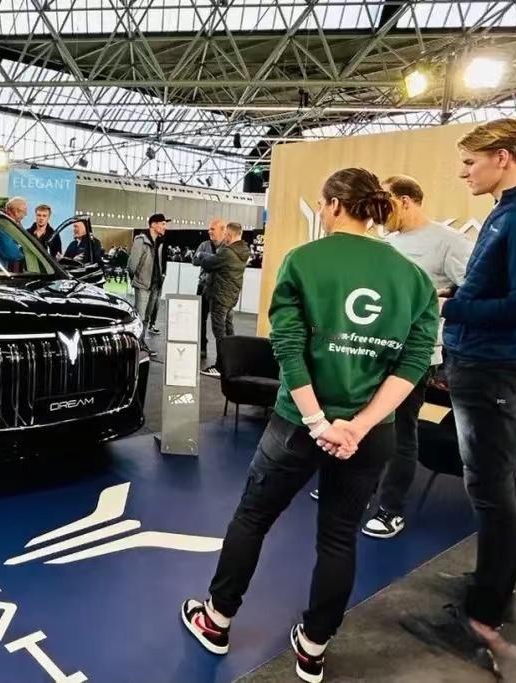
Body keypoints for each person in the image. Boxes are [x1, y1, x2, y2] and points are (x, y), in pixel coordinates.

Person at [181, 168, 437, 683]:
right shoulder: (414, 279)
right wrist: (360, 426)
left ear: (336, 205)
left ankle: (217, 620)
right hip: (369, 436)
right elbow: (413, 365)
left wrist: (319, 421)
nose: (321, 211)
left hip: (296, 425)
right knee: (339, 538)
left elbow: (289, 348)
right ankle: (314, 648)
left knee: (252, 518)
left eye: (323, 203)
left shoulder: (304, 260)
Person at [404, 119, 516, 664]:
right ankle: (491, 589)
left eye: (470, 162)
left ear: (503, 156)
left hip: (492, 367)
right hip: (486, 363)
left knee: (493, 491)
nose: (463, 172)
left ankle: (482, 618)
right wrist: (463, 293)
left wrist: (455, 305)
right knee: (500, 485)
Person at [360, 175, 472, 539]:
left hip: (415, 353)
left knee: (401, 430)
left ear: (406, 200)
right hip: (375, 348)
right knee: (366, 423)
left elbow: (475, 294)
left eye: (386, 205)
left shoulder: (449, 242)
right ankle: (360, 491)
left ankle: (390, 510)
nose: (380, 215)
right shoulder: (387, 241)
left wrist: (439, 298)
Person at [200, 222, 250, 378]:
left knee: (220, 333)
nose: (225, 237)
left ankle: (220, 366)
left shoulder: (227, 252)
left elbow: (208, 264)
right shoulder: (243, 251)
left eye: (227, 234)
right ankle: (233, 363)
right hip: (231, 296)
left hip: (220, 297)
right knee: (229, 331)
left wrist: (201, 255)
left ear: (229, 234)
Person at [127, 214, 167, 354]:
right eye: (162, 224)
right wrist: (137, 280)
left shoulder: (159, 242)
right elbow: (132, 265)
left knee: (147, 318)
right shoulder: (141, 240)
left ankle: (141, 343)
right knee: (140, 317)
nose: (165, 227)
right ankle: (135, 345)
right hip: (143, 285)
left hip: (155, 285)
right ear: (154, 225)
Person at [194, 219, 225, 359]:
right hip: (203, 287)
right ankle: (202, 347)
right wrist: (213, 259)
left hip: (219, 289)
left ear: (222, 230)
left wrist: (204, 257)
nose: (209, 231)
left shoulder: (226, 247)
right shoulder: (204, 244)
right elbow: (194, 261)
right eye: (209, 229)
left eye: (212, 229)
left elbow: (223, 262)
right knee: (200, 319)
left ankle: (223, 355)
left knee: (220, 323)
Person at [0, 196, 26, 271]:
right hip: (0, 271)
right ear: (15, 211)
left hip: (7, 269)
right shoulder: (1, 226)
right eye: (24, 211)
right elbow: (13, 254)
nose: (26, 214)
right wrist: (26, 253)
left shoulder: (12, 224)